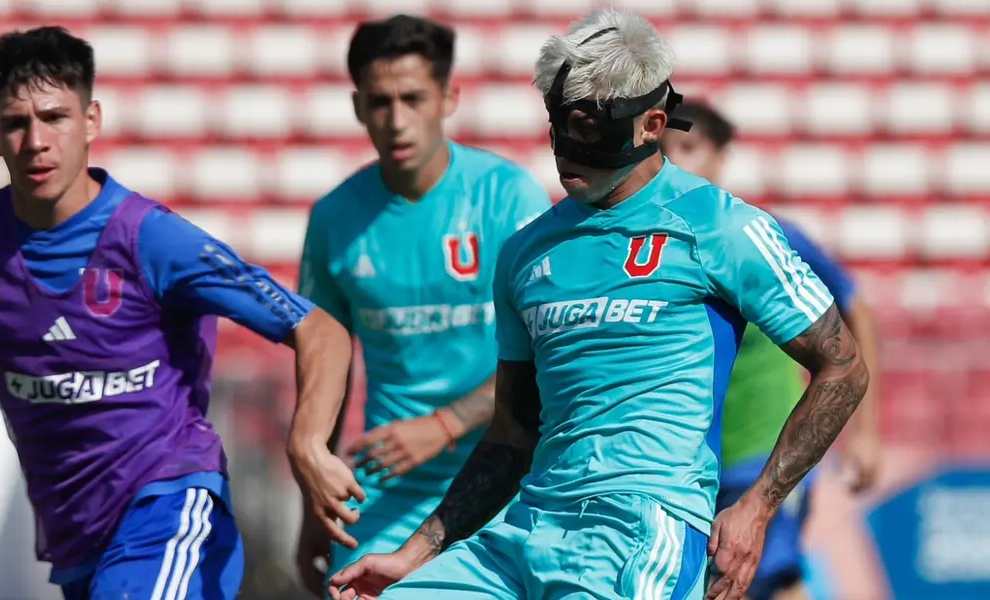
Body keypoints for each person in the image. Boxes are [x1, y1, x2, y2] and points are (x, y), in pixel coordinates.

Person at [325, 9, 871, 600]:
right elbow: (510, 437)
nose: (569, 150)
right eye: (560, 125)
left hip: (641, 532)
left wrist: (758, 506)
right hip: (520, 531)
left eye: (592, 128)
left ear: (651, 123)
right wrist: (415, 553)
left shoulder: (721, 226)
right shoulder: (526, 253)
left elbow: (843, 365)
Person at [0, 26, 361, 600]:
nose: (36, 141)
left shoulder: (152, 239)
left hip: (168, 507)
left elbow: (317, 327)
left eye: (55, 117)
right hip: (76, 532)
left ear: (92, 121)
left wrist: (307, 443)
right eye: (15, 123)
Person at [289, 13, 555, 597]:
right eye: (381, 102)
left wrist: (446, 423)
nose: (397, 120)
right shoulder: (335, 218)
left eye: (413, 98)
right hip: (389, 483)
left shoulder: (506, 196)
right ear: (359, 107)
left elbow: (548, 350)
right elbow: (326, 362)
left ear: (448, 98)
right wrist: (318, 504)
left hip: (509, 468)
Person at [661, 100, 882, 600]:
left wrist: (867, 433)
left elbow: (857, 310)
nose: (677, 158)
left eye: (690, 147)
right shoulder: (653, 249)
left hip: (765, 447)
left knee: (772, 576)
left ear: (721, 157)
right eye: (666, 148)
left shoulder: (761, 235)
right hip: (692, 460)